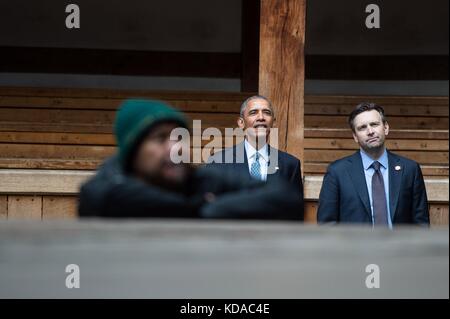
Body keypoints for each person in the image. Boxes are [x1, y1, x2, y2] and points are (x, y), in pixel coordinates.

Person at [78, 99, 302, 220]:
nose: (175, 148)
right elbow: (109, 197)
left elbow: (286, 197)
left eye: (179, 138)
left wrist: (211, 210)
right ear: (133, 151)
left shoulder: (196, 178)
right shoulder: (104, 189)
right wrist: (202, 205)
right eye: (160, 139)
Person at [317, 102, 429, 227]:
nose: (370, 131)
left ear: (385, 128)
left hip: (400, 246)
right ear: (355, 136)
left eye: (374, 124)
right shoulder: (337, 172)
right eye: (362, 127)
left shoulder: (410, 170)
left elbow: (421, 223)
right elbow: (327, 225)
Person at [207, 95, 304, 219]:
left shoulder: (290, 164)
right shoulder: (219, 161)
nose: (261, 117)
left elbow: (295, 212)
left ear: (273, 122)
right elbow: (212, 209)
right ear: (241, 123)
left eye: (266, 113)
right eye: (253, 113)